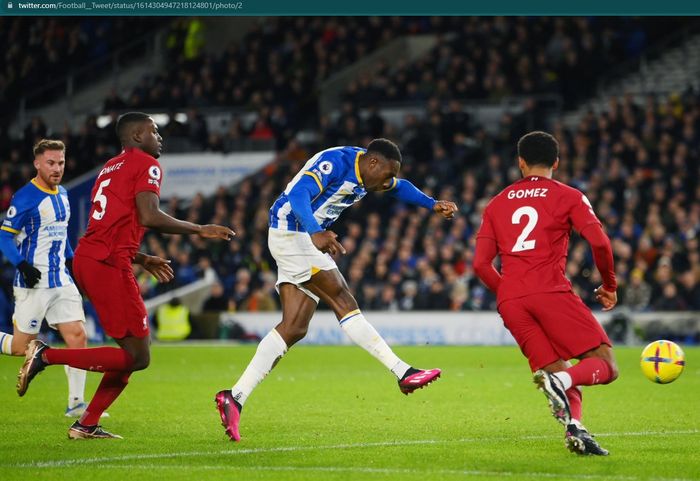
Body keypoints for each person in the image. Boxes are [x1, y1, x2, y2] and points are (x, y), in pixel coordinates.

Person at [215, 138, 458, 441]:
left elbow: (399, 186)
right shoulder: (336, 162)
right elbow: (301, 193)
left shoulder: (371, 172)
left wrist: (431, 203)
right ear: (372, 163)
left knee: (293, 327)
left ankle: (234, 397)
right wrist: (315, 232)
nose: (385, 182)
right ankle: (402, 372)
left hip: (301, 234)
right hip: (294, 231)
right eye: (384, 175)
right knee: (342, 297)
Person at [16, 112, 235, 440]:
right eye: (154, 131)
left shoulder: (109, 167)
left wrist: (142, 256)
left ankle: (86, 424)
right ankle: (46, 355)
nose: (159, 137)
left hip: (91, 259)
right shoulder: (145, 163)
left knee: (130, 355)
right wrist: (199, 229)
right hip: (107, 264)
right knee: (138, 355)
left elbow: (111, 225)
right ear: (136, 136)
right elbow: (149, 215)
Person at [473, 131, 619, 456]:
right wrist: (609, 285)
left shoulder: (496, 204)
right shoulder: (568, 196)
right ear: (556, 162)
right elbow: (600, 242)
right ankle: (562, 386)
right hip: (549, 290)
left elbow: (481, 265)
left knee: (557, 372)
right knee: (606, 365)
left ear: (520, 163)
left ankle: (575, 431)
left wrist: (512, 292)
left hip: (510, 302)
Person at [0, 139, 101, 418]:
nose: (57, 168)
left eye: (61, 163)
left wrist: (72, 263)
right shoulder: (25, 197)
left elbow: (61, 235)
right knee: (21, 347)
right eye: (51, 163)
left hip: (61, 280)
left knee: (78, 337)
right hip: (33, 284)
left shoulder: (64, 194)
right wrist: (22, 265)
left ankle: (76, 404)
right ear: (37, 164)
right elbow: (3, 236)